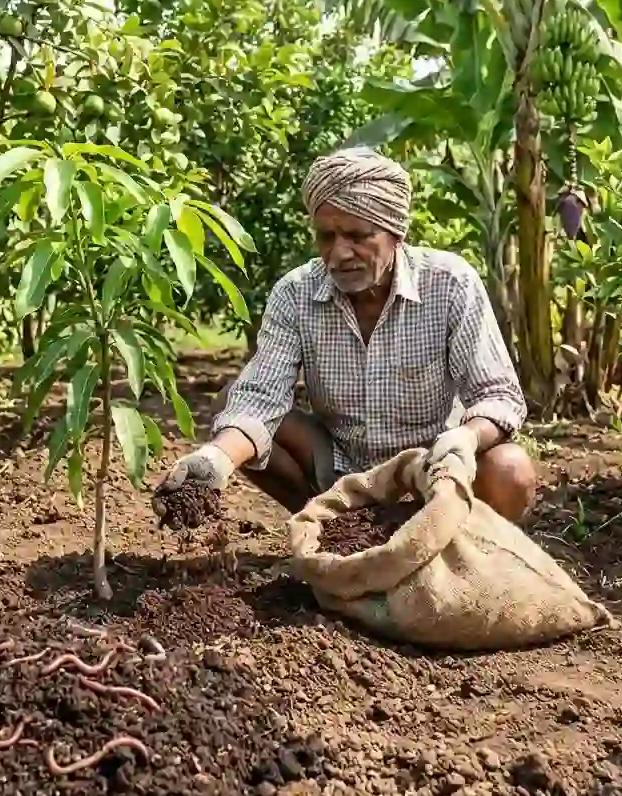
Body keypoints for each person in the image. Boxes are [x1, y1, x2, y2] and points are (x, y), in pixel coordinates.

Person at [155, 147, 536, 521]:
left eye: (357, 236)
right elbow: (260, 397)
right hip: (339, 469)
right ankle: (331, 521)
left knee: (510, 469)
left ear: (396, 233)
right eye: (326, 237)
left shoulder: (450, 284)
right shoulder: (296, 294)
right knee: (230, 404)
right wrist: (216, 458)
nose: (339, 253)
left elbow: (498, 395)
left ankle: (452, 539)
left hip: (429, 469)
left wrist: (465, 439)